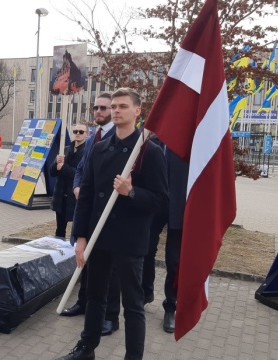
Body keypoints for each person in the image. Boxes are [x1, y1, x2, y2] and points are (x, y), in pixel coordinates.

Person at [57, 88, 168, 360]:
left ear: (137, 111)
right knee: (95, 297)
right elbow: (87, 197)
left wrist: (132, 191)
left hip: (129, 241)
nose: (116, 110)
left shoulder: (148, 152)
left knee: (132, 305)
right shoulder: (98, 149)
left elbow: (161, 202)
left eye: (123, 106)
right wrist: (81, 237)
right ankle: (86, 348)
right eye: (114, 106)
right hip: (99, 237)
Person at [60, 92, 120, 337]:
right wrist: (77, 186)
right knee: (85, 259)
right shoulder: (92, 139)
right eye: (96, 108)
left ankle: (111, 316)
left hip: (111, 215)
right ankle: (84, 302)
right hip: (88, 210)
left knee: (111, 268)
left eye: (104, 108)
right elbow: (82, 171)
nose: (99, 112)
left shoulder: (121, 139)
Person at [141, 140, 187, 333]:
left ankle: (170, 306)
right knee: (146, 248)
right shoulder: (152, 143)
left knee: (174, 260)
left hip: (179, 206)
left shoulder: (188, 144)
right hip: (156, 205)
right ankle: (146, 292)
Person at [50, 124, 88, 238]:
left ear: (87, 134)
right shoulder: (65, 149)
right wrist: (56, 162)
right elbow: (52, 172)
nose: (78, 134)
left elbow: (82, 174)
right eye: (75, 131)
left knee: (77, 229)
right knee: (60, 229)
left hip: (75, 196)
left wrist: (64, 168)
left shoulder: (87, 152)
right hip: (61, 195)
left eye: (81, 132)